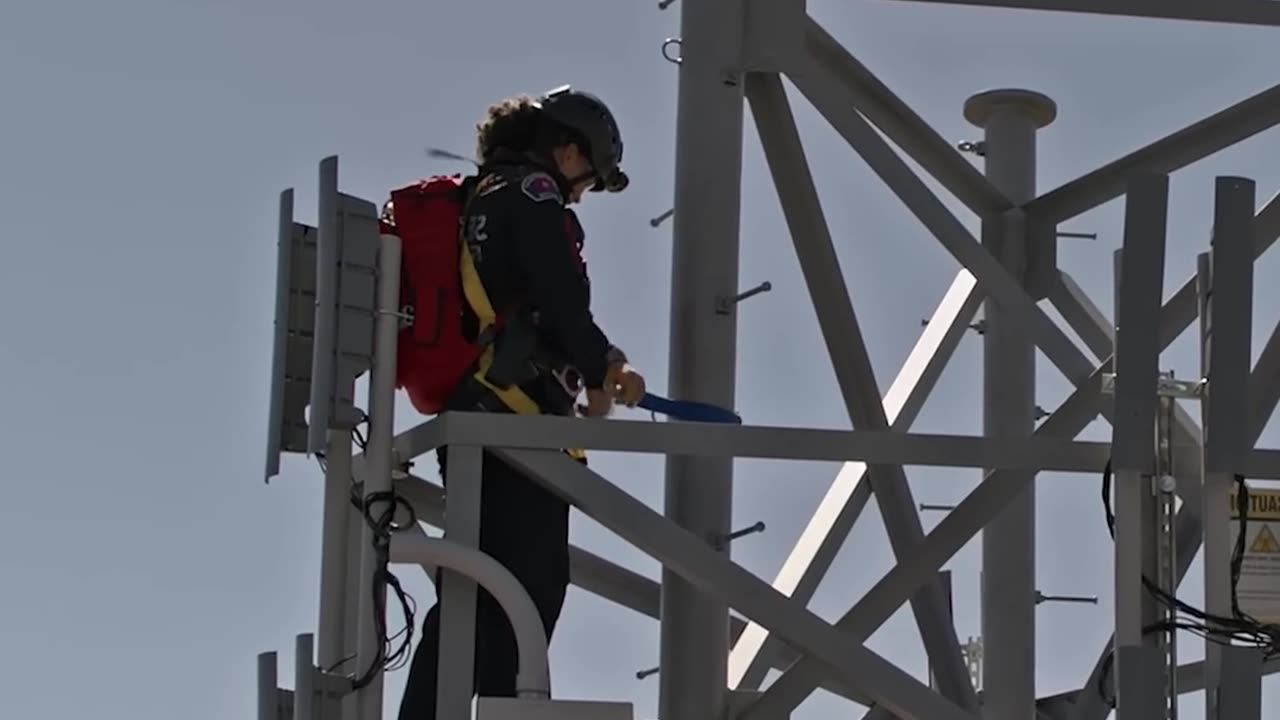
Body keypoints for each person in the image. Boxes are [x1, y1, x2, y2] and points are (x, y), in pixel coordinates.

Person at [395, 85, 646, 719]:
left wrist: (596, 366)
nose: (583, 192)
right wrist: (600, 367)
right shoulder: (533, 198)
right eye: (587, 176)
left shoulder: (486, 197)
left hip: (482, 419)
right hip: (514, 425)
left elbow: (528, 305)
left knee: (477, 594)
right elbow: (558, 294)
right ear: (566, 153)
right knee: (524, 595)